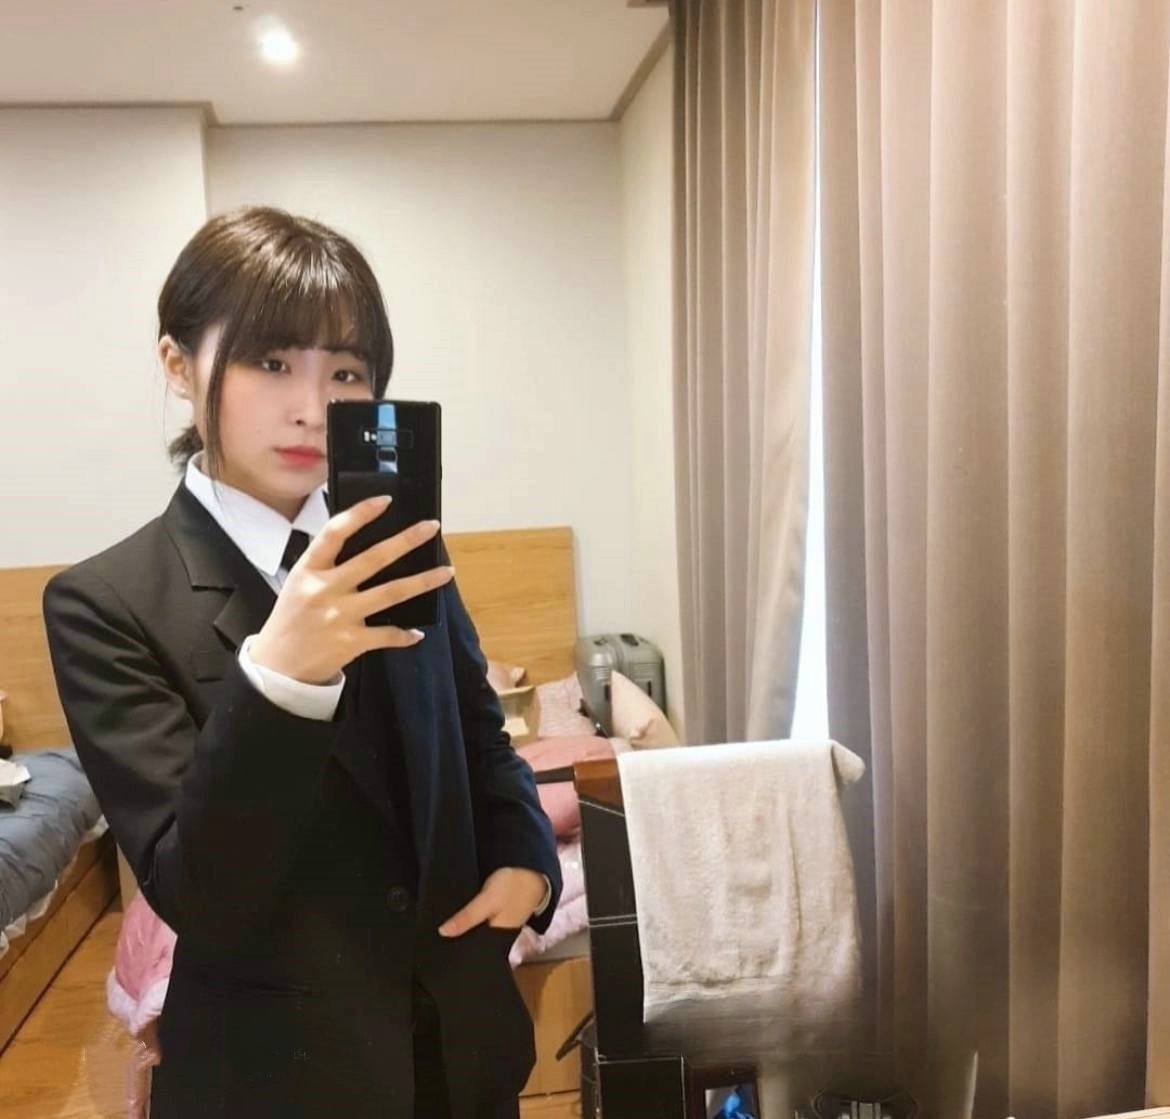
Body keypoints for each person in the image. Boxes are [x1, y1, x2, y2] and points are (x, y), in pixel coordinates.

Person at [42, 206, 561, 1119]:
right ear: (178, 364)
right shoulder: (105, 604)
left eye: (346, 372)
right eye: (272, 362)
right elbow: (196, 889)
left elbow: (482, 737)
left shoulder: (401, 551)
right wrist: (280, 679)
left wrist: (529, 863)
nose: (314, 408)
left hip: (462, 1054)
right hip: (274, 1079)